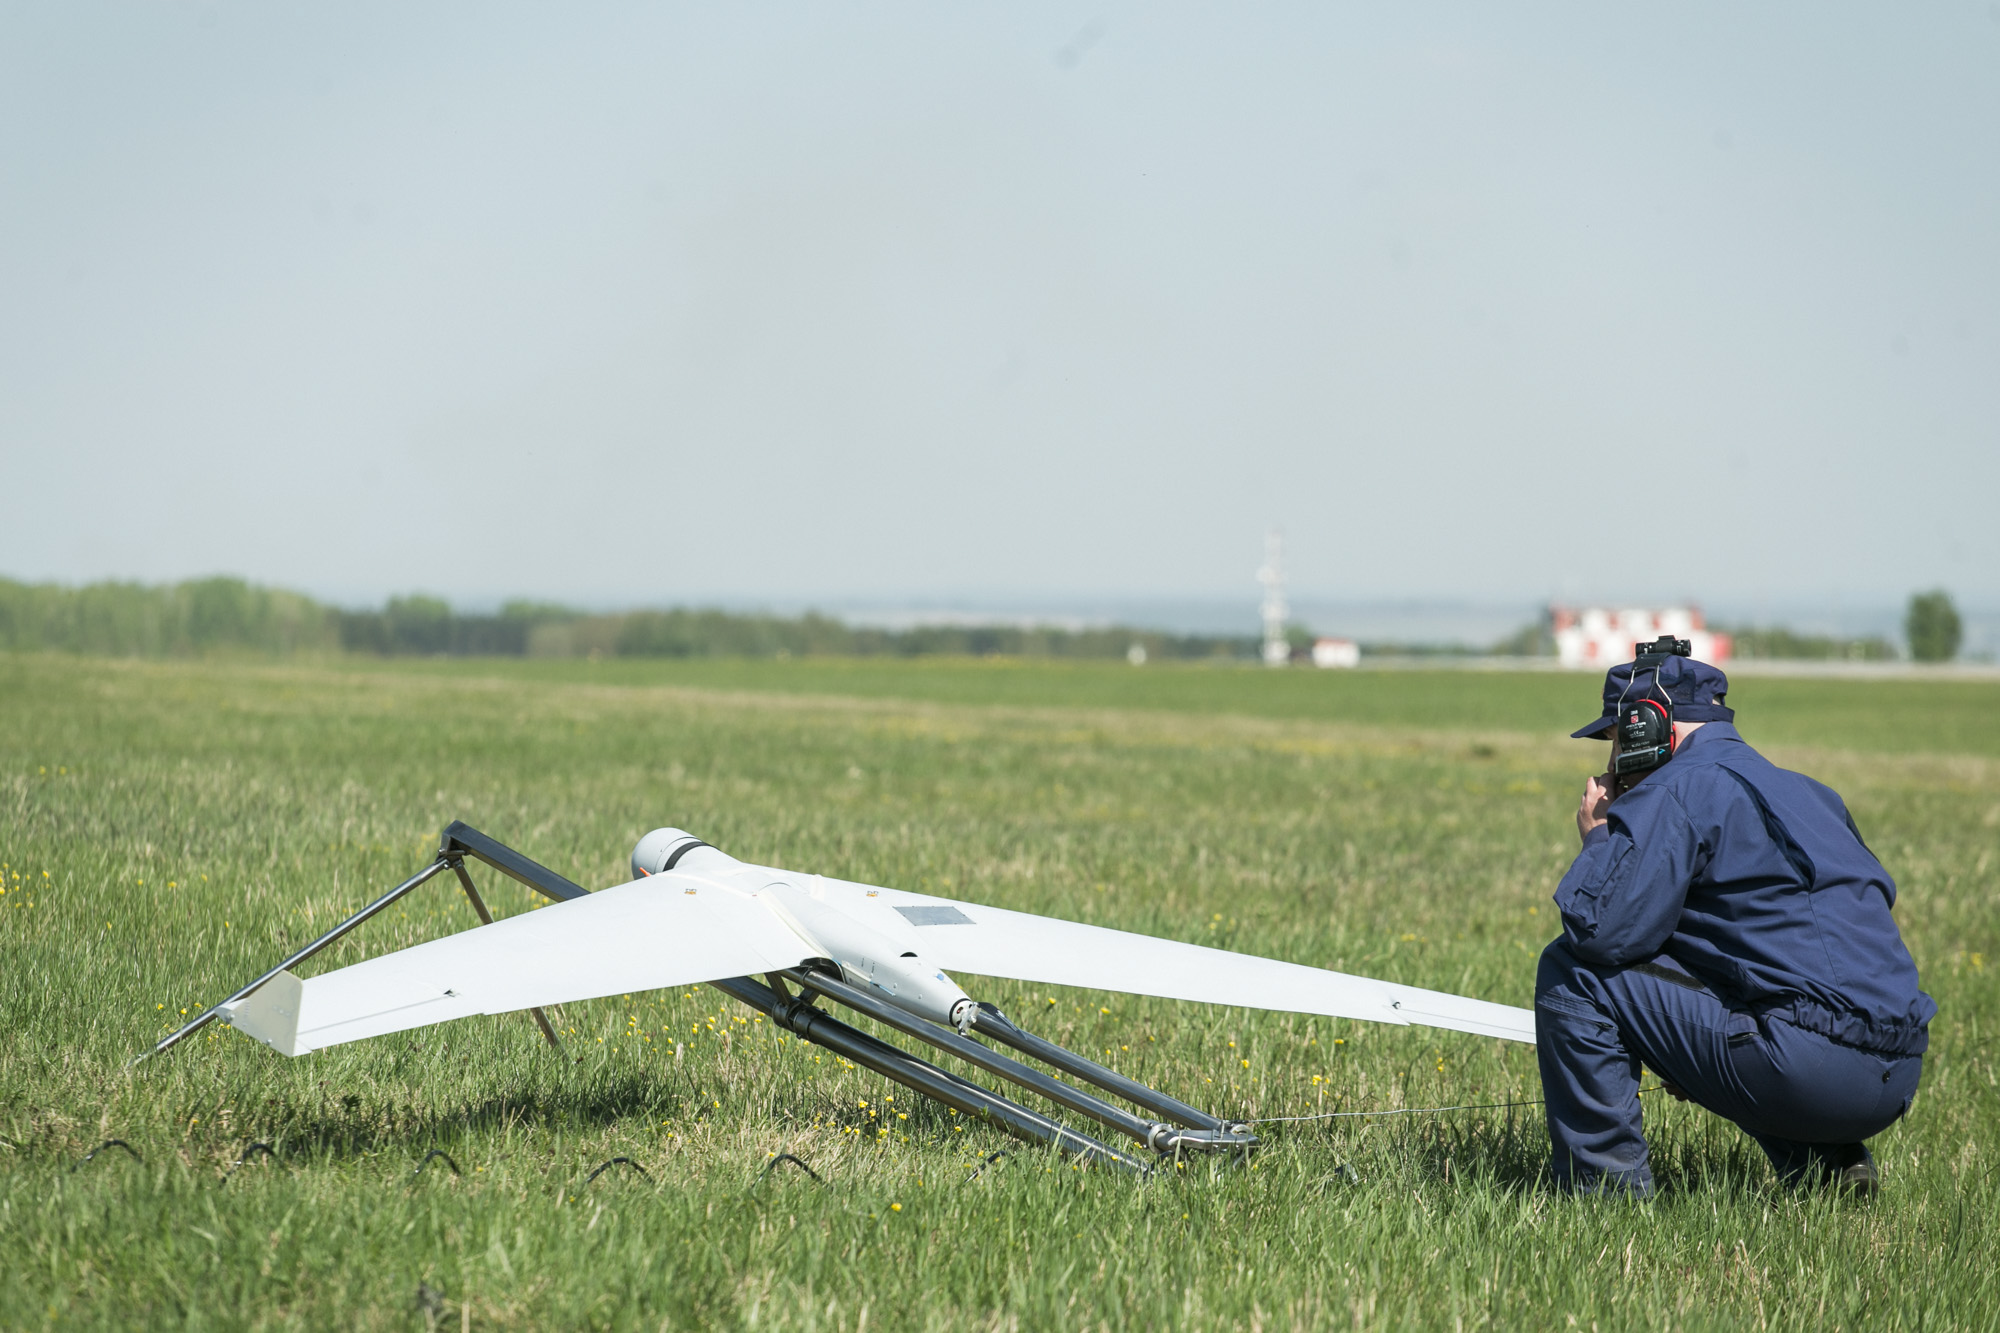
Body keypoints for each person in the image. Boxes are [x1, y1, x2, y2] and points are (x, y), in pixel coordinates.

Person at [1535, 646, 1933, 1197]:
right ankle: (1828, 1164)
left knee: (1571, 969)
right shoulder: (1810, 790)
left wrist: (1600, 838)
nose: (1613, 762)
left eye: (1619, 740)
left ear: (1647, 724)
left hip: (1807, 1069)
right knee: (1735, 977)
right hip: (1899, 1072)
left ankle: (1604, 1199)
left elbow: (1603, 934)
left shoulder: (1675, 789)